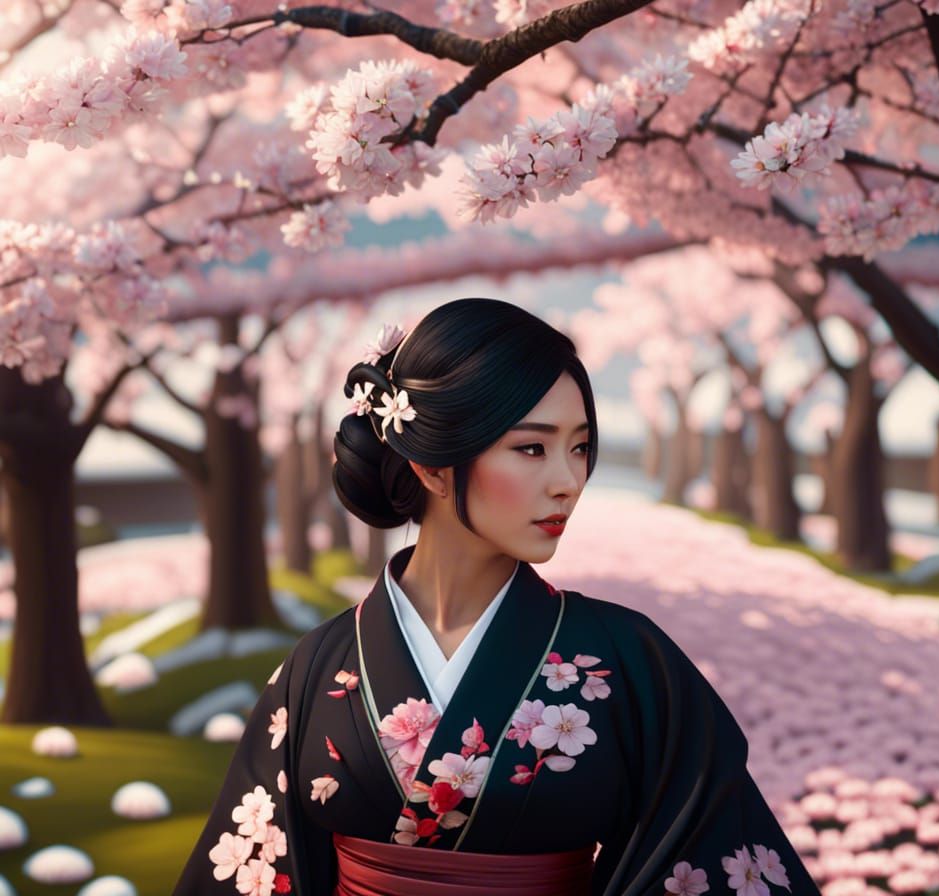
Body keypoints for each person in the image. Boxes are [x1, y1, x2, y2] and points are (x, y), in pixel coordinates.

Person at [174, 297, 821, 896]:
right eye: (532, 448)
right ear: (432, 466)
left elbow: (706, 847)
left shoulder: (627, 659)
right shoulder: (319, 667)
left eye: (580, 448)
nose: (568, 482)